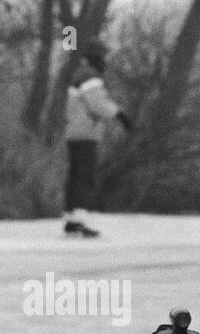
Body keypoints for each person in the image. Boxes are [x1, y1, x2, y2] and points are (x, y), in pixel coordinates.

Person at [63, 37, 132, 238]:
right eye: (103, 56)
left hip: (75, 132)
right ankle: (78, 221)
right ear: (97, 57)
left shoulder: (79, 74)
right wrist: (120, 115)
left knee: (75, 176)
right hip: (86, 132)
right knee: (85, 176)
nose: (105, 61)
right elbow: (97, 104)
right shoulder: (90, 76)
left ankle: (71, 220)